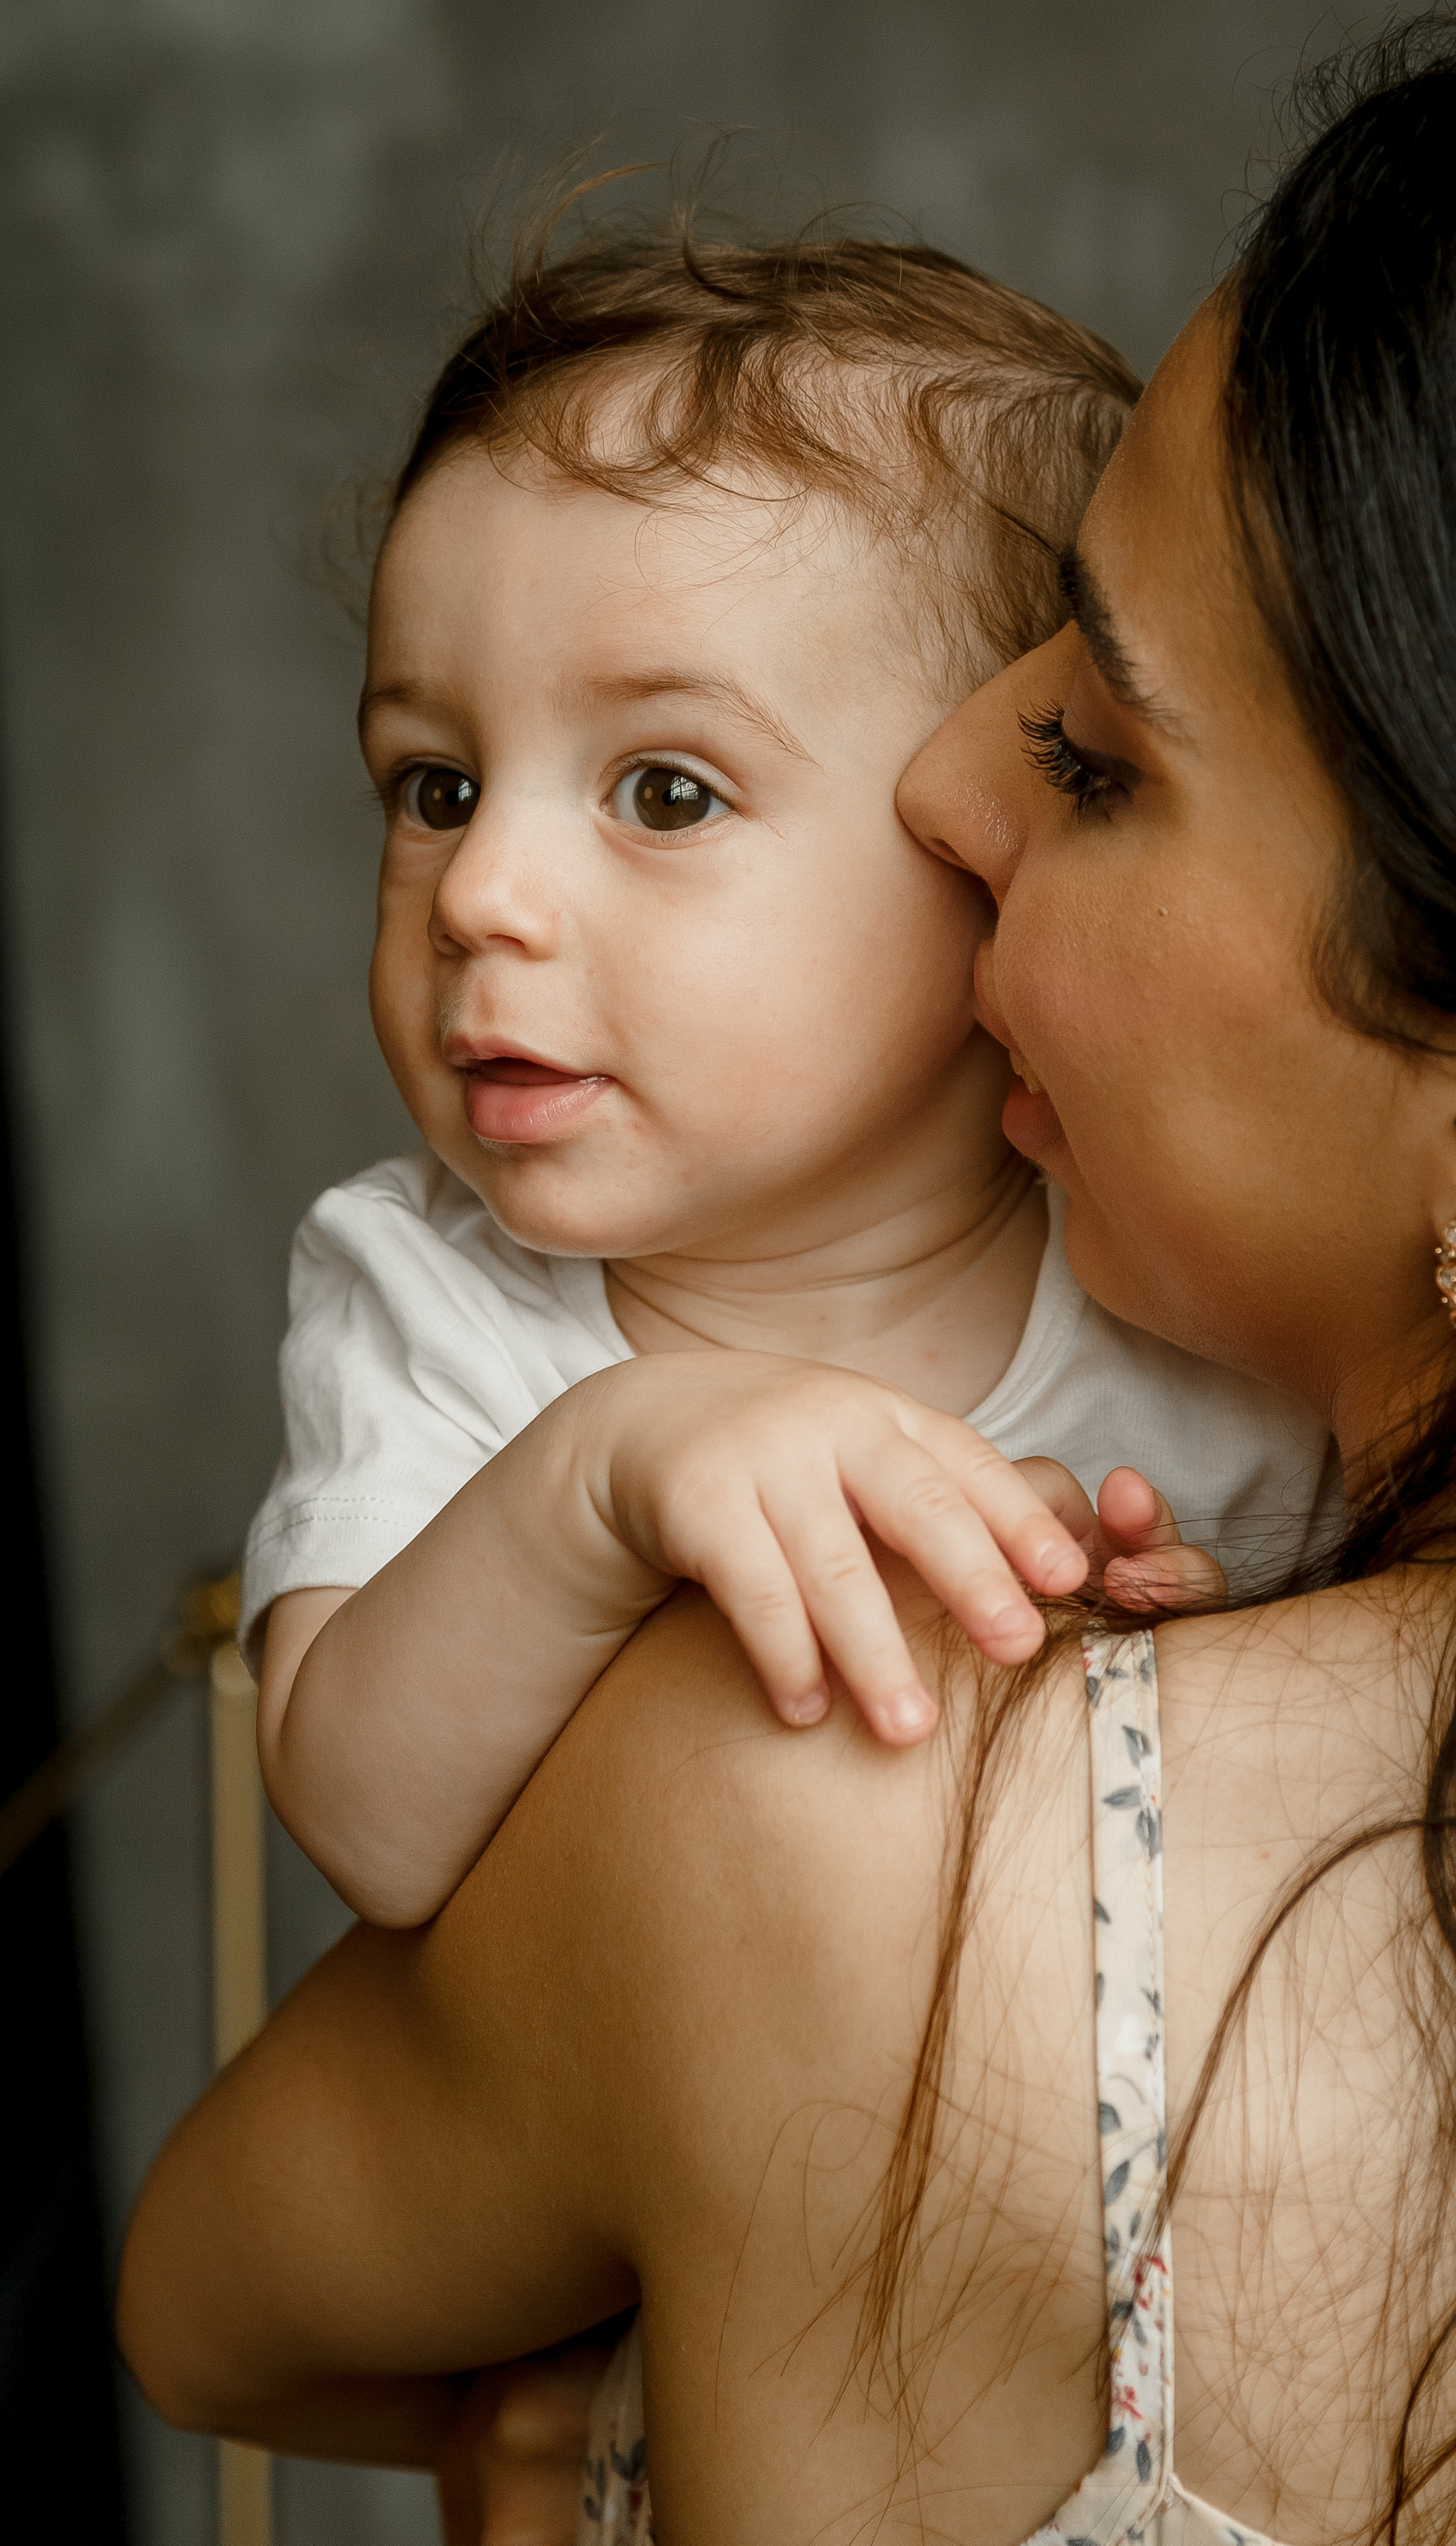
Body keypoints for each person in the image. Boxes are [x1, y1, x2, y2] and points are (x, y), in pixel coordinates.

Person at [119, 3, 1456, 2546]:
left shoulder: (821, 1811)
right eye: (426, 788)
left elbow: (212, 2296)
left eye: (1094, 758)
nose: (952, 800)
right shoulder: (479, 1313)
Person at [244, 228, 1333, 1931]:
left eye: (663, 793)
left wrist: (1208, 1660)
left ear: (988, 832)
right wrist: (598, 1481)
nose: (475, 896)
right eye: (435, 787)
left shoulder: (1186, 1296)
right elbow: (365, 1826)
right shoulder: (445, 1308)